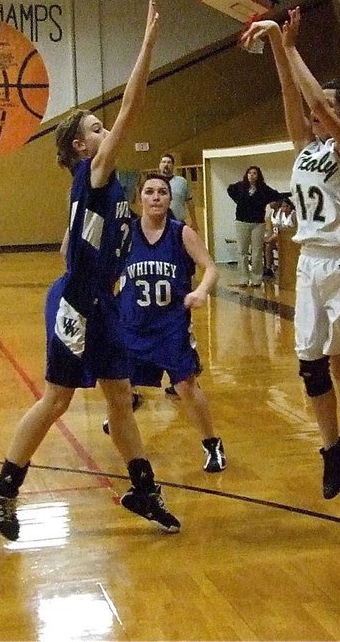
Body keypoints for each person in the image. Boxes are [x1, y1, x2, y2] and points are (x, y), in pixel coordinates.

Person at [0, 0, 181, 539]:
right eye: (97, 127)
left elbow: (68, 247)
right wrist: (148, 43)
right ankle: (3, 485)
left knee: (119, 397)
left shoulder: (98, 187)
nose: (106, 130)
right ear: (81, 145)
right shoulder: (95, 171)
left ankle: (143, 490)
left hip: (102, 303)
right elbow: (134, 105)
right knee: (58, 399)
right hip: (79, 304)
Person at [241, 7, 340, 503]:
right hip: (310, 263)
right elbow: (290, 94)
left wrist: (289, 43)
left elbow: (313, 97)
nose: (316, 112)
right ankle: (331, 449)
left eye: (327, 108)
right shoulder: (305, 148)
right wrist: (277, 49)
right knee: (310, 367)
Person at [112, 172, 226, 472]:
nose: (156, 197)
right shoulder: (126, 234)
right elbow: (109, 272)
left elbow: (211, 268)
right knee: (119, 386)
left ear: (169, 199)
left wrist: (201, 291)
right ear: (139, 198)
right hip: (133, 325)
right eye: (149, 191)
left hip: (170, 327)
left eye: (162, 192)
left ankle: (212, 443)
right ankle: (128, 430)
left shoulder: (181, 233)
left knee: (186, 386)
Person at [227, 166, 282, 287]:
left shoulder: (263, 189)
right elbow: (229, 189)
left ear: (258, 176)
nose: (251, 175)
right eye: (249, 173)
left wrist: (268, 203)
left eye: (254, 173)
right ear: (246, 175)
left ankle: (257, 279)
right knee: (242, 251)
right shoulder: (240, 186)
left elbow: (276, 195)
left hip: (258, 223)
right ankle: (243, 278)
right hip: (242, 222)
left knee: (257, 251)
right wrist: (238, 201)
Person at [158, 153, 199, 231]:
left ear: (173, 166)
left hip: (178, 223)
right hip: (159, 224)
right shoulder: (153, 182)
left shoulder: (182, 182)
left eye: (169, 162)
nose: (166, 164)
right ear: (160, 165)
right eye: (163, 162)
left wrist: (194, 221)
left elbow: (190, 202)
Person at [263, 194, 295, 277]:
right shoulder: (273, 213)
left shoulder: (292, 215)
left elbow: (294, 229)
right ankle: (269, 267)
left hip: (289, 238)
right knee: (268, 245)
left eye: (286, 206)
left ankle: (283, 268)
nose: (270, 203)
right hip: (279, 237)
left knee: (274, 242)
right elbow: (274, 228)